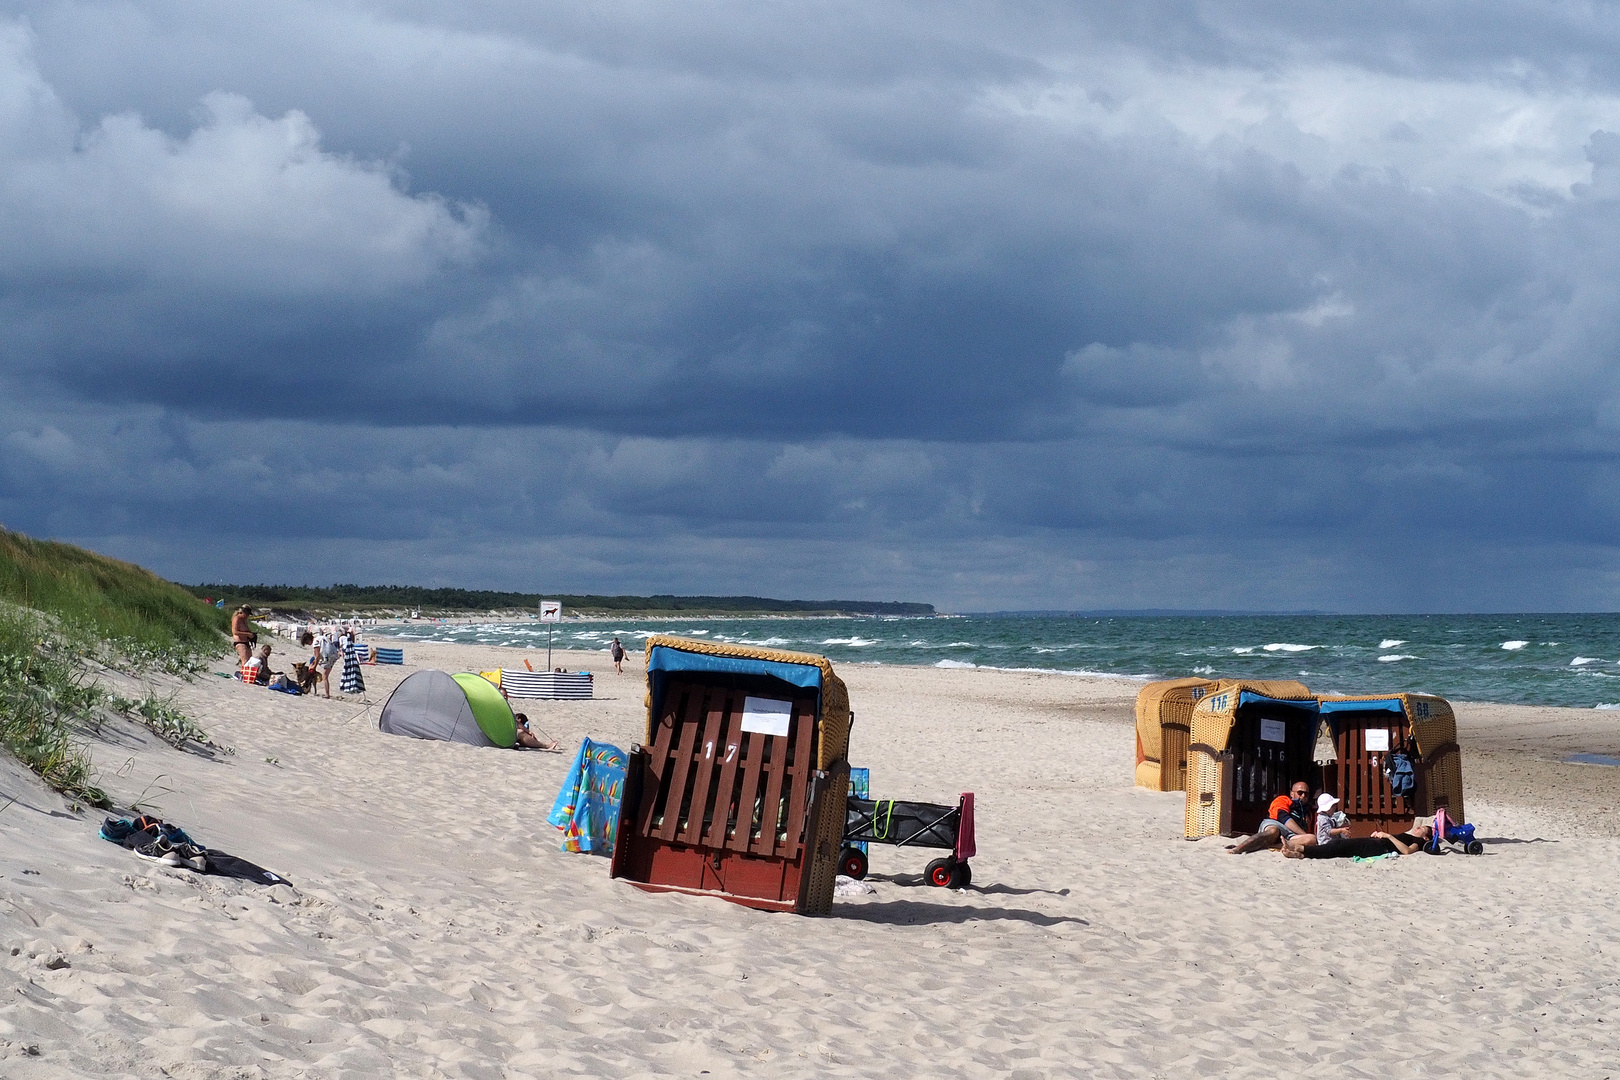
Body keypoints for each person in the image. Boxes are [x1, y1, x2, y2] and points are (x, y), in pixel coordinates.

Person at [1227, 781, 1312, 853]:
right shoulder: (1283, 799)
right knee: (1273, 831)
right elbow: (1283, 817)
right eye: (1300, 793)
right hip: (1277, 824)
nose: (1303, 796)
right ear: (1292, 793)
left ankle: (1275, 845)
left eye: (1306, 794)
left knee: (1311, 838)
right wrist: (1303, 834)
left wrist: (1305, 836)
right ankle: (1239, 848)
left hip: (1291, 836)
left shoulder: (1307, 813)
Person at [1284, 820, 1433, 859]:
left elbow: (1407, 851)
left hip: (1378, 848)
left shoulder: (1419, 842)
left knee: (1339, 846)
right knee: (1339, 847)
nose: (1418, 828)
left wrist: (1388, 836)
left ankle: (1300, 848)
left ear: (1426, 837)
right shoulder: (1410, 835)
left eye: (1422, 829)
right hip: (1376, 843)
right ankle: (1301, 854)